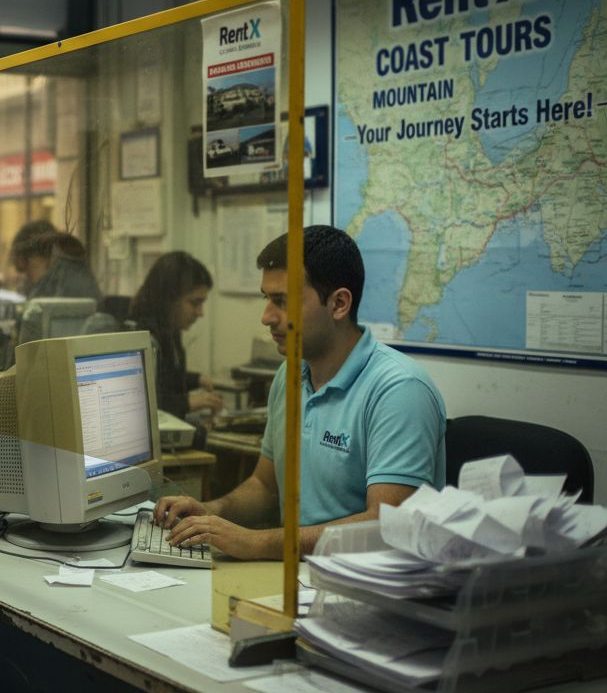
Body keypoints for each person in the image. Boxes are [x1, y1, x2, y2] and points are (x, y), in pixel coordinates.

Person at [155, 226, 445, 558]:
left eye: (282, 301)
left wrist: (258, 542)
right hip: (298, 577)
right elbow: (265, 486)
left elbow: (386, 525)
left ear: (338, 303)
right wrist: (210, 512)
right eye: (267, 299)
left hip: (369, 586)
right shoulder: (289, 375)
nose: (266, 317)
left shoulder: (399, 390)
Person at [129, 251, 224, 419]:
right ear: (168, 299)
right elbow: (142, 405)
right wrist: (189, 402)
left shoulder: (170, 329)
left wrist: (197, 379)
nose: (200, 313)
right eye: (194, 303)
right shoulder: (140, 338)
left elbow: (167, 380)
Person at [9, 219, 100, 300]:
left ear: (35, 259)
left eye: (27, 270)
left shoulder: (64, 282)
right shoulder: (62, 275)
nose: (27, 277)